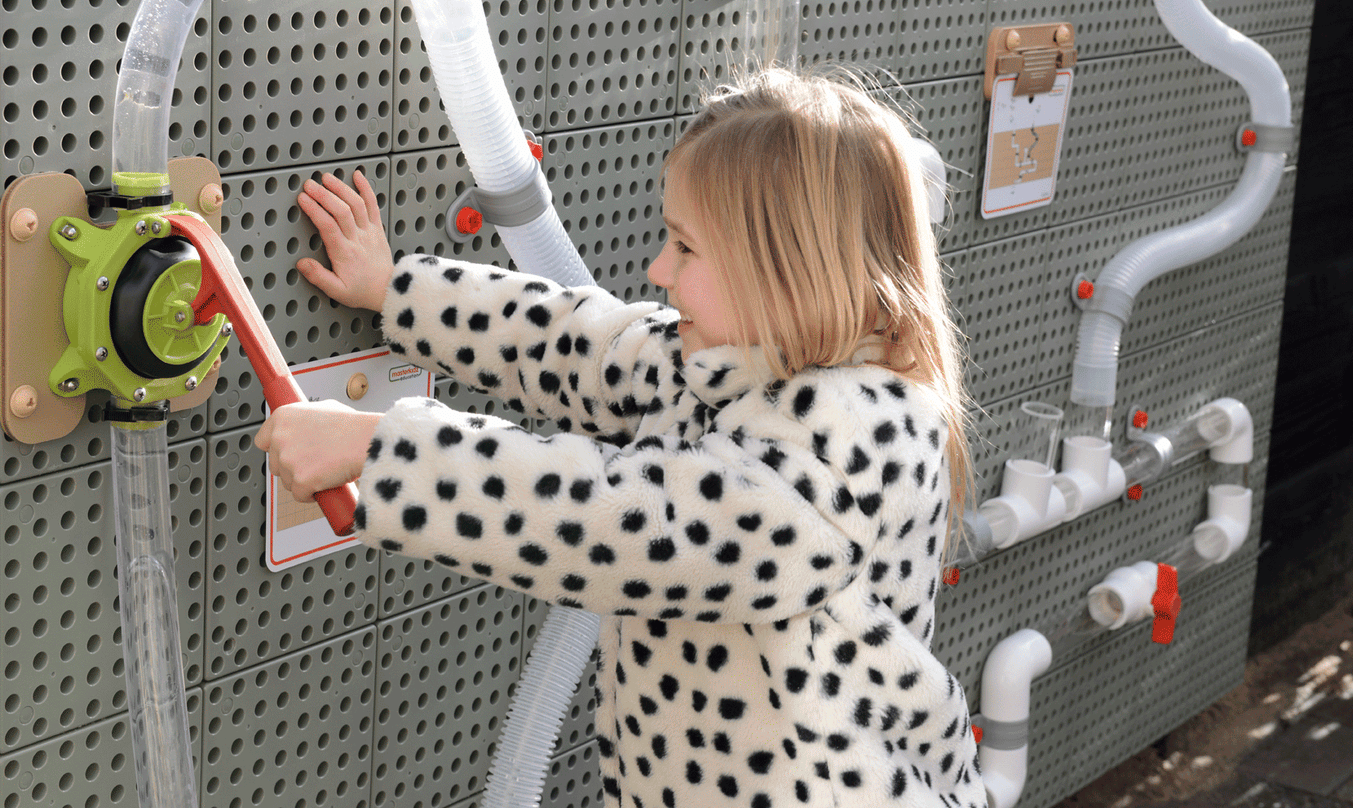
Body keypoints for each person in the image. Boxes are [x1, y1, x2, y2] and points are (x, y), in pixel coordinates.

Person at [257, 67, 986, 808]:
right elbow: (580, 343)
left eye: (686, 248)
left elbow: (617, 521)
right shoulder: (736, 365)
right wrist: (396, 289)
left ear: (789, 276)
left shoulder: (849, 448)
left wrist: (380, 451)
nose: (657, 270)